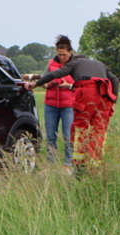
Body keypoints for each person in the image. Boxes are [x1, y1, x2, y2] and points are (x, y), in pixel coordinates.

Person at [26, 53, 119, 170]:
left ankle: (80, 166)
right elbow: (115, 80)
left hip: (87, 93)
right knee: (99, 130)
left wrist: (36, 83)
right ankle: (96, 165)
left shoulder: (74, 63)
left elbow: (55, 74)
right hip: (105, 95)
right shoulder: (100, 64)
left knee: (80, 128)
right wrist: (113, 102)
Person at [42, 36, 76, 167]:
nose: (62, 57)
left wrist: (68, 85)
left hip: (69, 105)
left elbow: (79, 83)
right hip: (51, 104)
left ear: (70, 52)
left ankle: (68, 163)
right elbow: (44, 81)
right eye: (59, 54)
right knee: (51, 136)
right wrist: (47, 84)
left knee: (68, 136)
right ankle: (51, 163)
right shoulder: (50, 64)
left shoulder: (75, 64)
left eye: (64, 55)